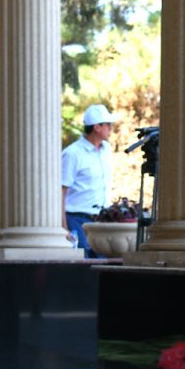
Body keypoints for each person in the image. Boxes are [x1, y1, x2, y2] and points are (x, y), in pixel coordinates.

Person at [61, 104, 116, 257]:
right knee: (82, 268)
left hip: (101, 220)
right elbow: (60, 191)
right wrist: (64, 228)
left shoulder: (107, 150)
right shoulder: (72, 154)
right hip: (77, 220)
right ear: (97, 127)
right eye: (108, 125)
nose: (110, 129)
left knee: (101, 267)